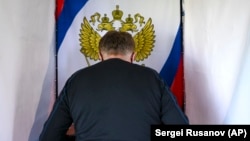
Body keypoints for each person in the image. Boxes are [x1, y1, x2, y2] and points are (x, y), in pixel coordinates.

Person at [39, 30, 189, 141]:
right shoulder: (153, 78)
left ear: (99, 54)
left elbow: (48, 136)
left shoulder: (76, 80)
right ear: (133, 56)